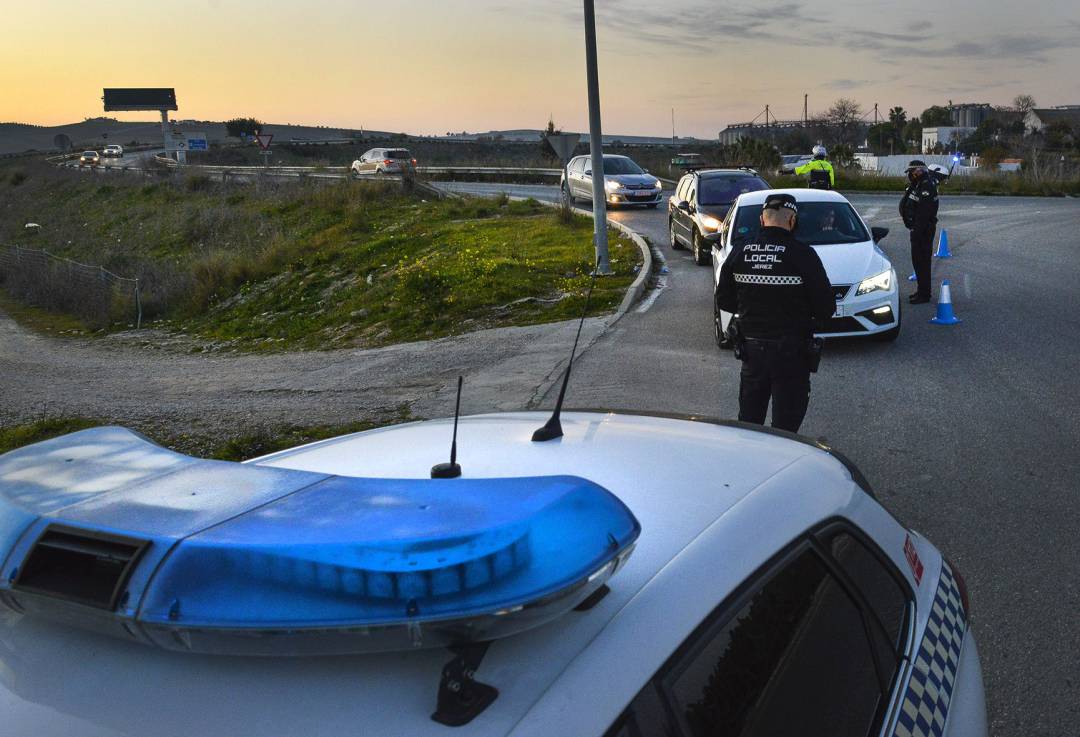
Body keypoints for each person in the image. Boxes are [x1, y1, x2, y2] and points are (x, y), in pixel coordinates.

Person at [715, 194, 835, 433]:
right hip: (791, 353)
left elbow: (724, 299)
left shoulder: (741, 250)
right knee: (786, 428)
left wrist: (751, 311)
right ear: (792, 221)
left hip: (752, 351)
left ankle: (752, 466)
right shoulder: (802, 254)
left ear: (762, 219)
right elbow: (826, 307)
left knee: (749, 423)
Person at [899, 159, 940, 304]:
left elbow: (924, 213)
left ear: (918, 171)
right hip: (917, 229)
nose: (910, 175)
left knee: (922, 262)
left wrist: (917, 230)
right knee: (917, 262)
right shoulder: (918, 184)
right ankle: (921, 290)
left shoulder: (926, 186)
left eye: (911, 172)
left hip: (923, 231)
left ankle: (924, 294)